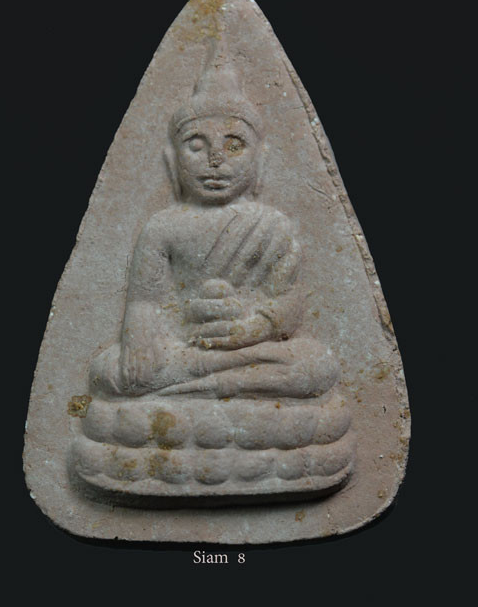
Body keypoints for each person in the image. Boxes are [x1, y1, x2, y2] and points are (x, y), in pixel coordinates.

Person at [89, 53, 339, 402]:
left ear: (261, 160)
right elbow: (144, 302)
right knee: (108, 370)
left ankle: (200, 389)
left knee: (317, 364)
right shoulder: (162, 226)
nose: (215, 160)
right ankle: (219, 388)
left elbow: (289, 302)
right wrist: (142, 341)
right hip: (186, 345)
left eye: (234, 145)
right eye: (196, 145)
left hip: (249, 348)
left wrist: (248, 330)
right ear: (172, 161)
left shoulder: (272, 225)